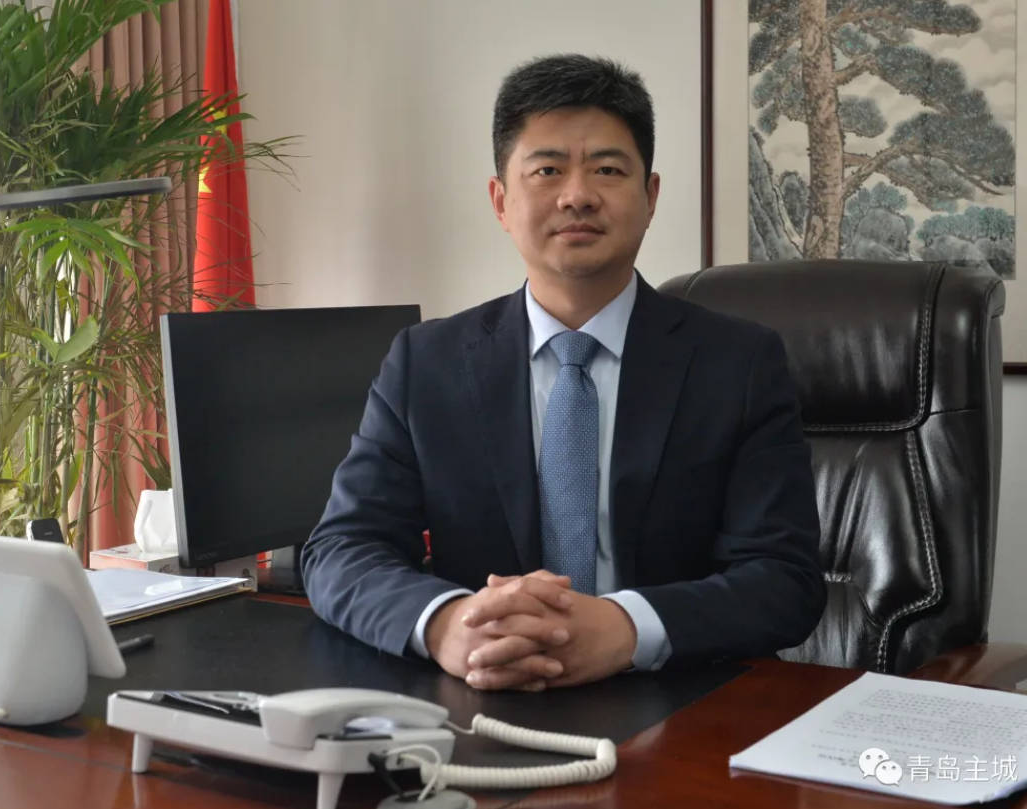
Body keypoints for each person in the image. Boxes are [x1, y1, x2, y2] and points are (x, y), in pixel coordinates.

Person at [302, 53, 826, 692]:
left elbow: (784, 579)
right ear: (501, 201)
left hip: (678, 698)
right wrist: (447, 624)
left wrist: (625, 628)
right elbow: (341, 549)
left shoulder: (739, 363)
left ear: (650, 197)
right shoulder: (425, 362)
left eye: (607, 169)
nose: (577, 195)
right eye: (547, 170)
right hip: (484, 694)